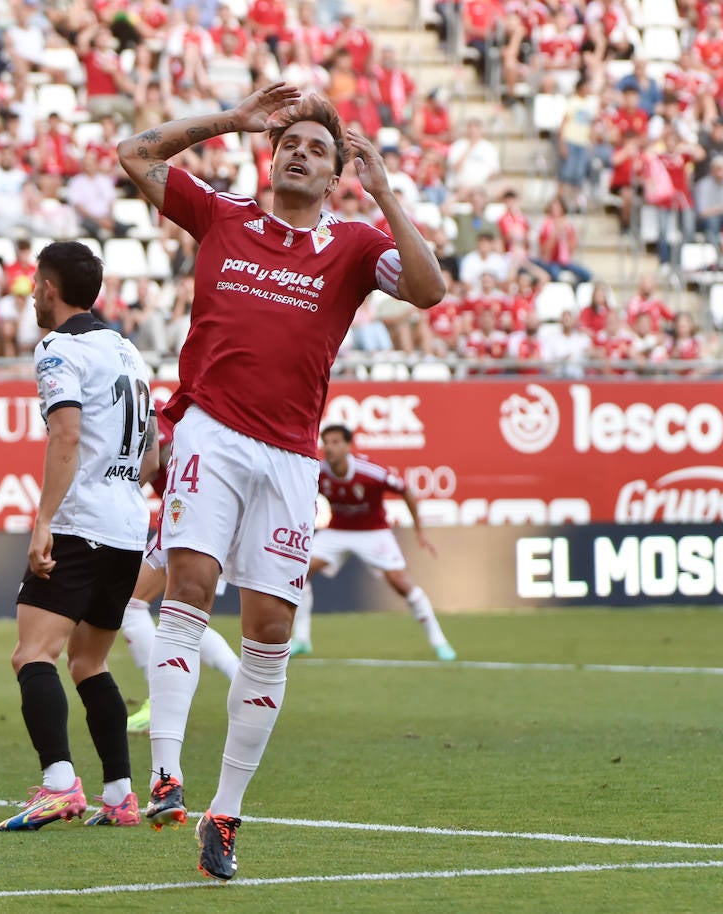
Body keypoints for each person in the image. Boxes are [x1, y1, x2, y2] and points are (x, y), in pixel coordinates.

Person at [117, 85, 446, 880]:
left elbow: (432, 291)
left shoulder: (356, 246)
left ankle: (225, 816)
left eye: (318, 149)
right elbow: (134, 154)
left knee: (269, 633)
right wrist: (232, 118)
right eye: (290, 143)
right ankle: (166, 773)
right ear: (271, 156)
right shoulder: (224, 216)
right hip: (211, 432)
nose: (301, 152)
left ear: (338, 173)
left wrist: (388, 192)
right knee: (188, 585)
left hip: (292, 459)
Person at [0, 241, 155, 832]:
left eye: (36, 283)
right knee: (90, 663)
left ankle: (59, 785)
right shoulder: (127, 351)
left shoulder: (59, 349)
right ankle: (120, 796)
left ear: (50, 287)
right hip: (127, 524)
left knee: (33, 653)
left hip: (81, 522)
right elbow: (151, 454)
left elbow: (64, 437)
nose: (33, 293)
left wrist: (43, 522)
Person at [121, 405, 240, 735]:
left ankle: (156, 702)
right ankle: (241, 678)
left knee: (131, 605)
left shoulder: (152, 411)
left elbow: (155, 457)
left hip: (190, 520)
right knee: (186, 620)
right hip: (210, 521)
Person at [290, 424, 455, 660]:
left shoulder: (370, 472)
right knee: (299, 573)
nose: (330, 447)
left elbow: (406, 490)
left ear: (348, 446)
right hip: (338, 531)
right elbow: (300, 496)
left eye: (336, 442)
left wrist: (420, 531)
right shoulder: (318, 472)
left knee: (400, 582)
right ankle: (302, 639)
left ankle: (440, 642)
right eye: (326, 442)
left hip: (373, 532)